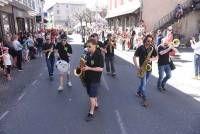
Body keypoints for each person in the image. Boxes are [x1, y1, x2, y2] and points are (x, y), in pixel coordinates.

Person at [82, 39, 104, 121]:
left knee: (91, 96)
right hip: (87, 77)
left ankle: (91, 112)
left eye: (89, 46)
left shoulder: (99, 55)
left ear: (94, 45)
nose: (87, 48)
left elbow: (101, 69)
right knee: (90, 93)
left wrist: (89, 68)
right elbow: (86, 63)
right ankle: (96, 103)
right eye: (87, 46)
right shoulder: (88, 53)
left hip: (95, 79)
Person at [133, 34, 157, 107]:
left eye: (151, 41)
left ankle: (138, 92)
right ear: (145, 40)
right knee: (143, 84)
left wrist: (151, 59)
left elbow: (157, 57)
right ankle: (145, 99)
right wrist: (137, 66)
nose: (149, 42)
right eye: (148, 41)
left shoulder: (152, 48)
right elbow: (134, 57)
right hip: (142, 68)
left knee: (144, 83)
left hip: (149, 68)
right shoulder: (140, 48)